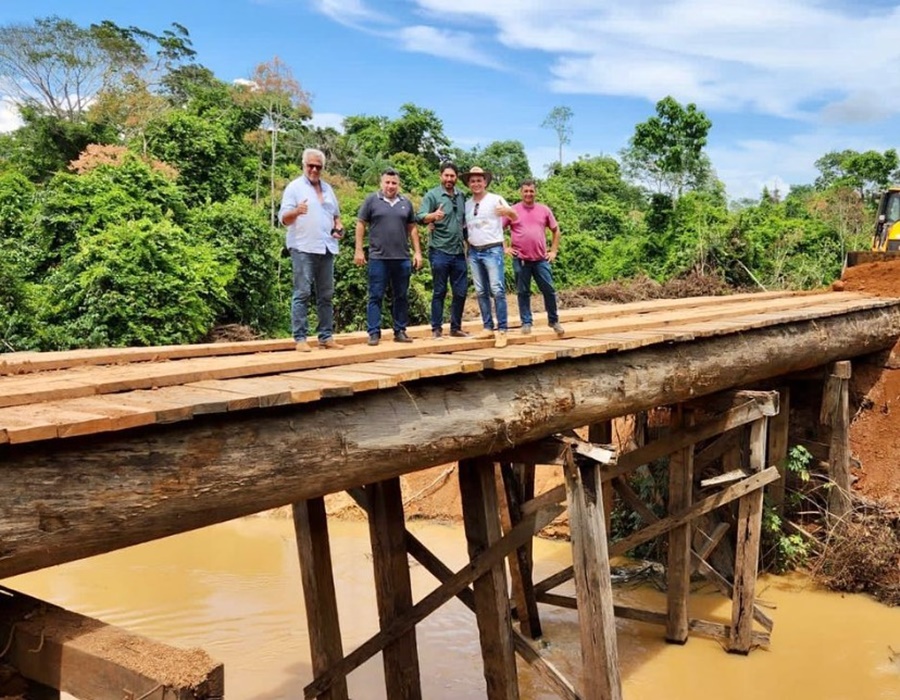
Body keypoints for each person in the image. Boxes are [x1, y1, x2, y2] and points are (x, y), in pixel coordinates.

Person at [355, 168, 422, 346]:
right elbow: (361, 224)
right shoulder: (371, 200)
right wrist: (359, 250)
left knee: (401, 296)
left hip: (402, 258)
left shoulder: (406, 203)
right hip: (378, 257)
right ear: (381, 183)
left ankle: (400, 331)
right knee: (375, 295)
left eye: (394, 183)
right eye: (387, 182)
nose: (390, 186)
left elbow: (412, 228)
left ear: (398, 185)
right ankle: (374, 333)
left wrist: (417, 252)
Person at [462, 166, 517, 348]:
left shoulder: (496, 199)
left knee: (497, 290)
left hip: (493, 250)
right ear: (469, 184)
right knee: (480, 291)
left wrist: (507, 212)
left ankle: (502, 330)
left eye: (479, 180)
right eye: (473, 181)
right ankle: (487, 327)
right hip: (474, 251)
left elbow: (515, 216)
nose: (476, 183)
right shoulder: (467, 204)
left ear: (485, 182)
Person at [504, 179, 565, 337]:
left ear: (535, 192)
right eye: (526, 191)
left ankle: (553, 320)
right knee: (523, 292)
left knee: (549, 289)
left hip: (540, 259)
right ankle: (526, 322)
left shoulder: (544, 210)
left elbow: (556, 231)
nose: (528, 194)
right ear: (521, 192)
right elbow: (498, 228)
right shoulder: (513, 210)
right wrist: (505, 248)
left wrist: (553, 251)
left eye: (531, 191)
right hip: (521, 259)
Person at [417, 161, 469, 339]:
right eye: (446, 175)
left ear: (456, 177)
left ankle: (456, 327)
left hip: (458, 251)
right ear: (441, 176)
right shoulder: (433, 195)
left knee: (461, 291)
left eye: (452, 176)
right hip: (439, 250)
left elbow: (464, 223)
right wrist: (432, 216)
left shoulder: (461, 196)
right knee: (439, 290)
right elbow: (420, 216)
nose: (449, 179)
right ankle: (436, 328)